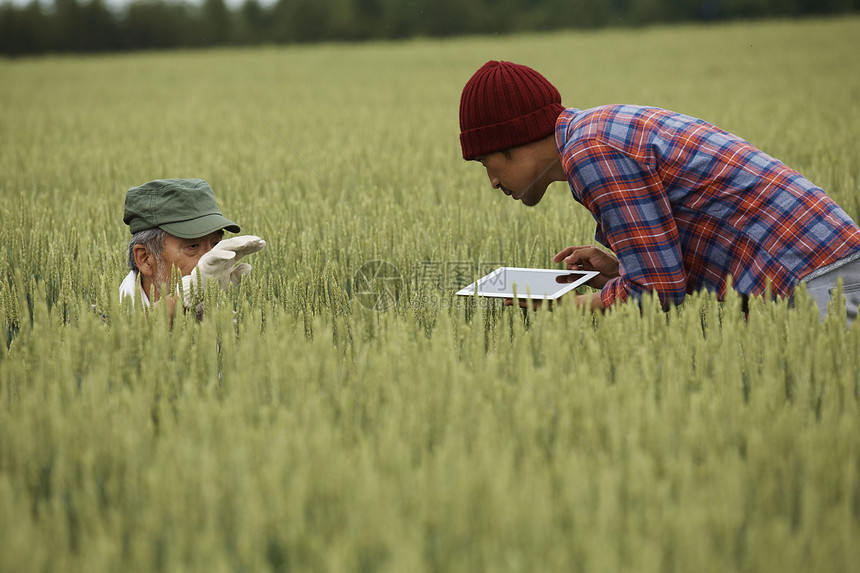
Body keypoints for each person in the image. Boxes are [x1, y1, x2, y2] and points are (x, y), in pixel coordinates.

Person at [458, 60, 860, 324]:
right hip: (826, 267)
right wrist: (618, 270)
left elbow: (657, 293)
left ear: (515, 140)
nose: (492, 181)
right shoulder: (597, 131)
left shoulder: (590, 153)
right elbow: (665, 273)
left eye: (486, 162)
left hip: (818, 279)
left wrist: (569, 308)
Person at [120, 178, 265, 312]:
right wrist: (183, 297)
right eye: (193, 246)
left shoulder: (232, 328)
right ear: (145, 258)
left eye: (215, 244)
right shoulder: (100, 322)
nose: (212, 256)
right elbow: (122, 332)